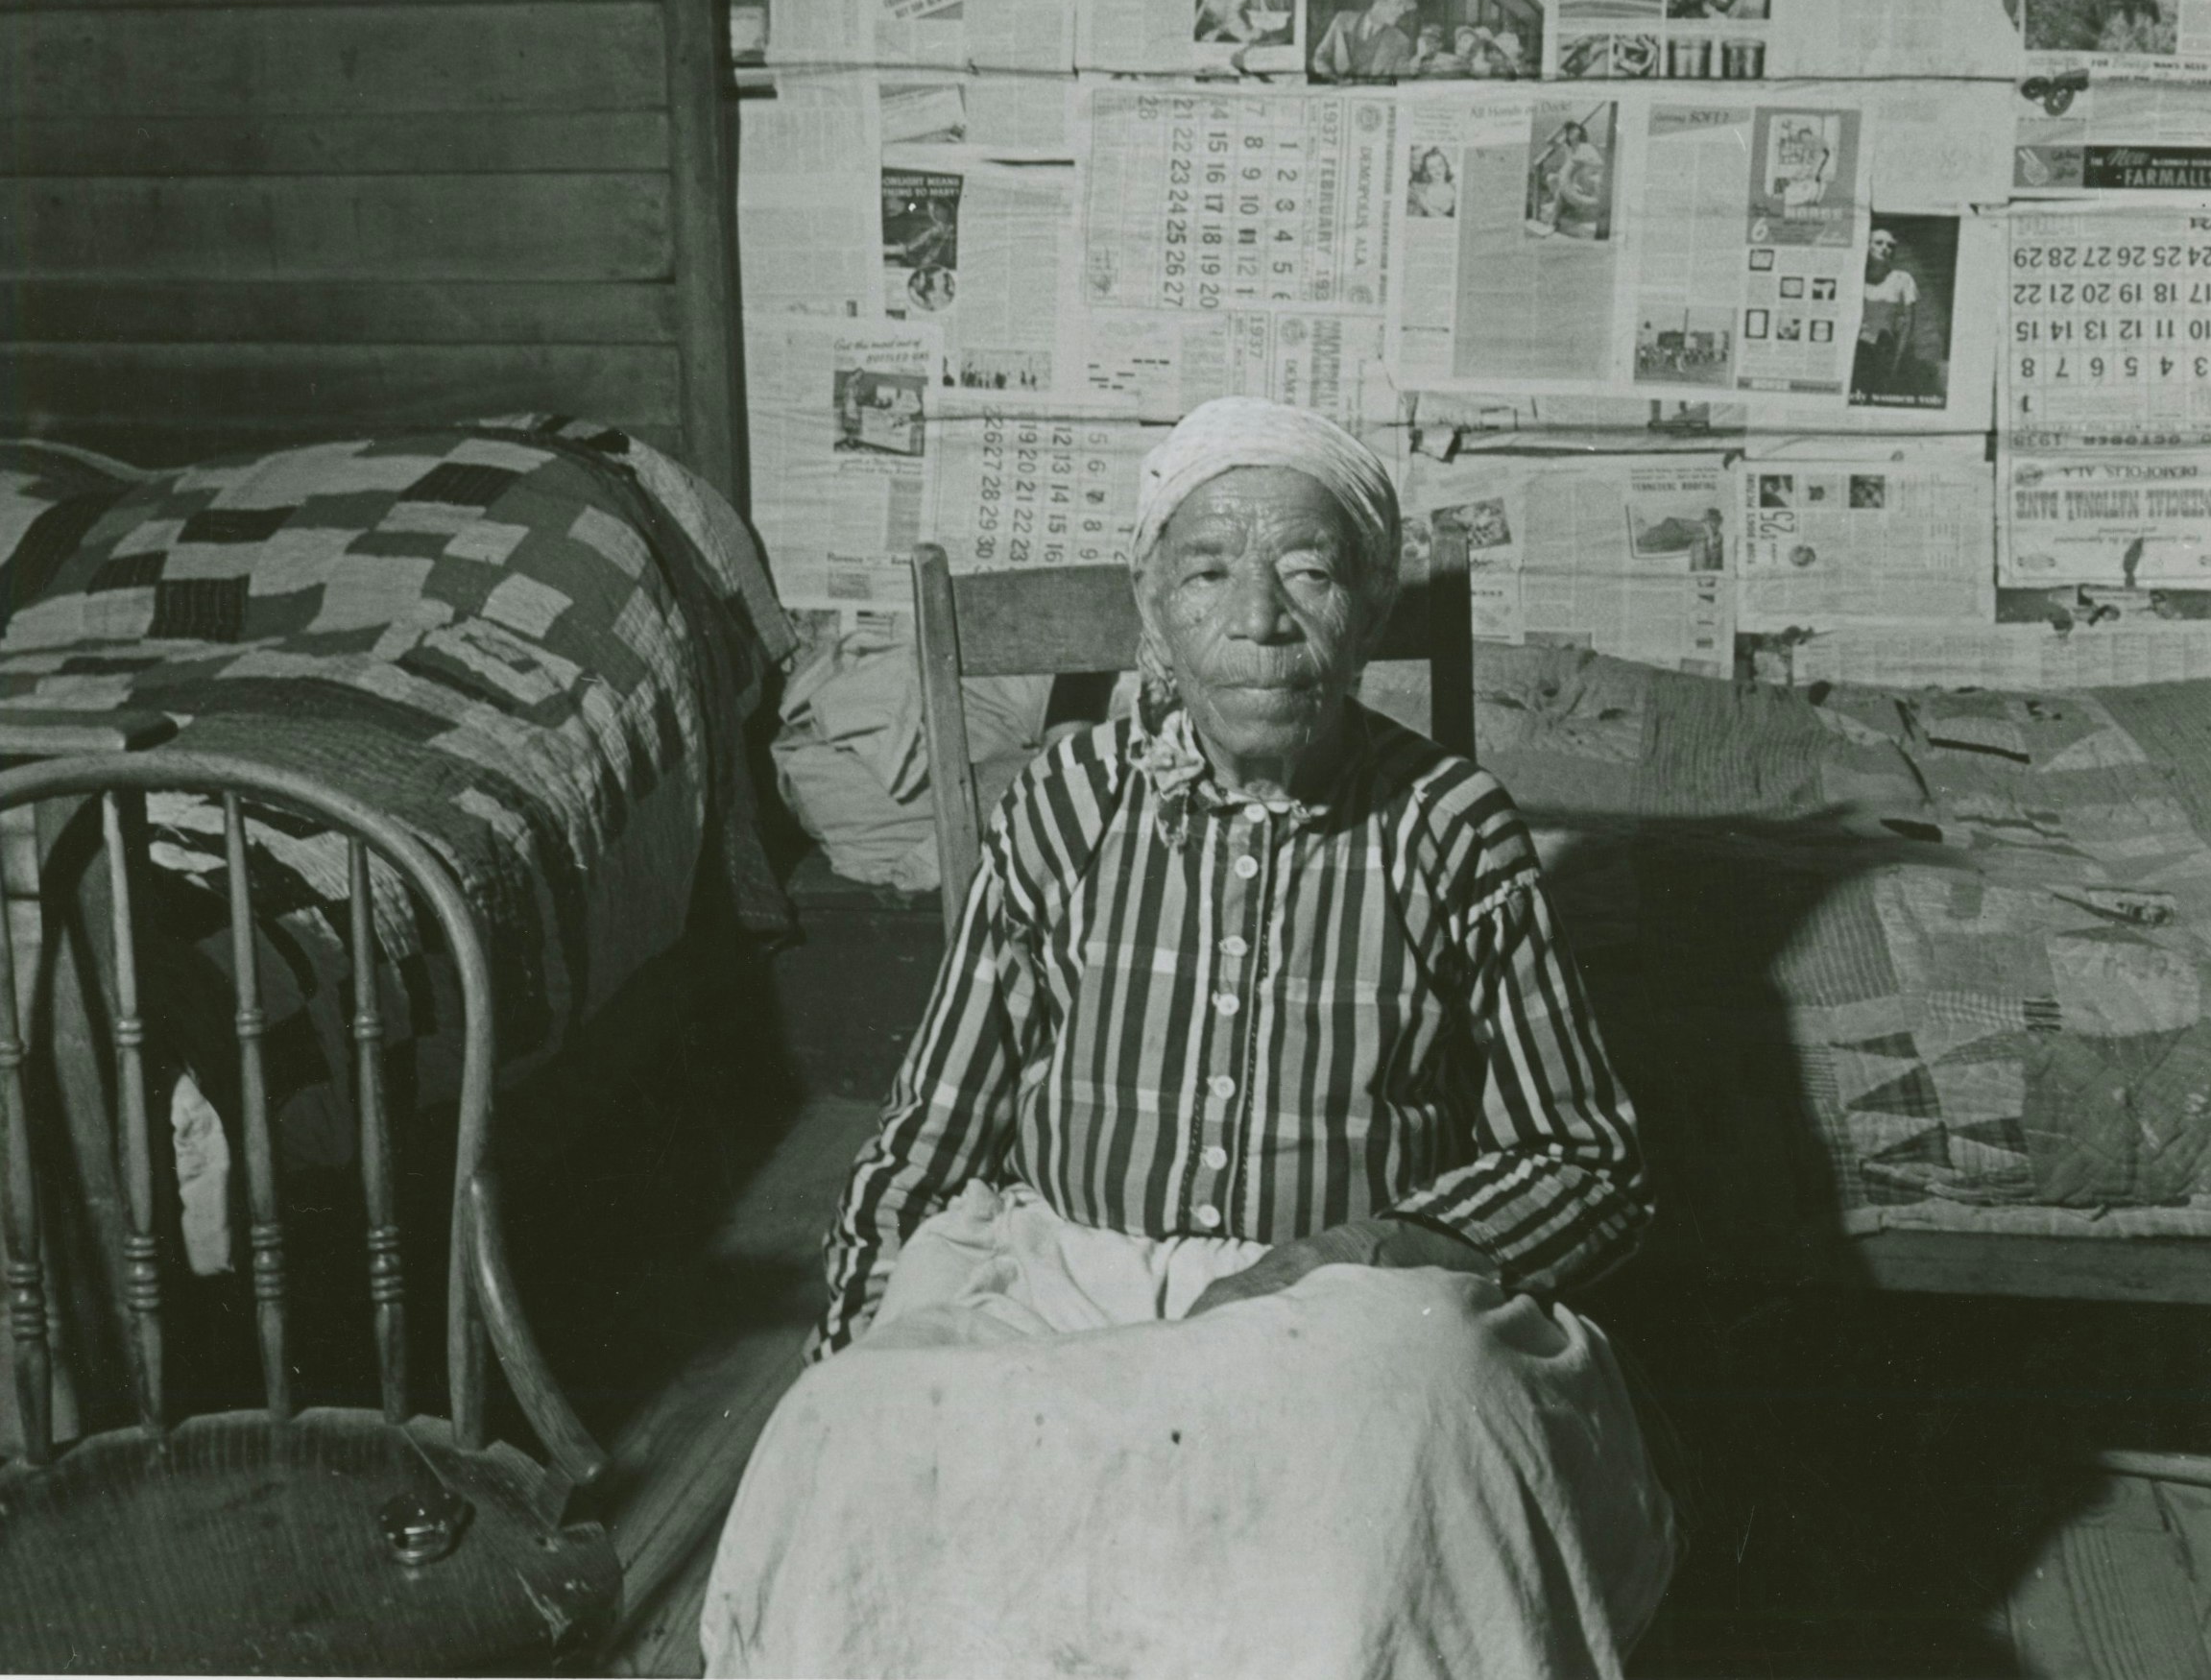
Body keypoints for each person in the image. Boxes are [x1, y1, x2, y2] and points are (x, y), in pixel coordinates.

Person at [702, 398, 1674, 1680]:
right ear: (1151, 614)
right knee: (857, 1427)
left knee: (1415, 1406)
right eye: (1207, 572)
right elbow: (935, 1125)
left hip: (1340, 1309)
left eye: (1310, 572)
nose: (1260, 616)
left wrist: (1371, 1245)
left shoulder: (1449, 826)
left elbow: (1589, 1159)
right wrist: (860, 1349)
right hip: (1061, 1285)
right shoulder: (1065, 799)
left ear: (1370, 611)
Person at [1310, 0, 1418, 80]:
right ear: (1380, 0)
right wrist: (1333, 82)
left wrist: (1412, 67)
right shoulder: (1342, 20)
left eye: (1404, 6)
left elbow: (1400, 76)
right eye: (1398, 3)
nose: (1402, 11)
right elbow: (1320, 58)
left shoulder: (1400, 40)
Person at [1852, 225, 1917, 396]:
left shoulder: (1903, 279)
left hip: (1883, 358)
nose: (1885, 248)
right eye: (1879, 243)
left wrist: (1894, 368)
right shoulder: (1853, 276)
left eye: (1890, 245)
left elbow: (1907, 327)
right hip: (1854, 356)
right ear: (1867, 245)